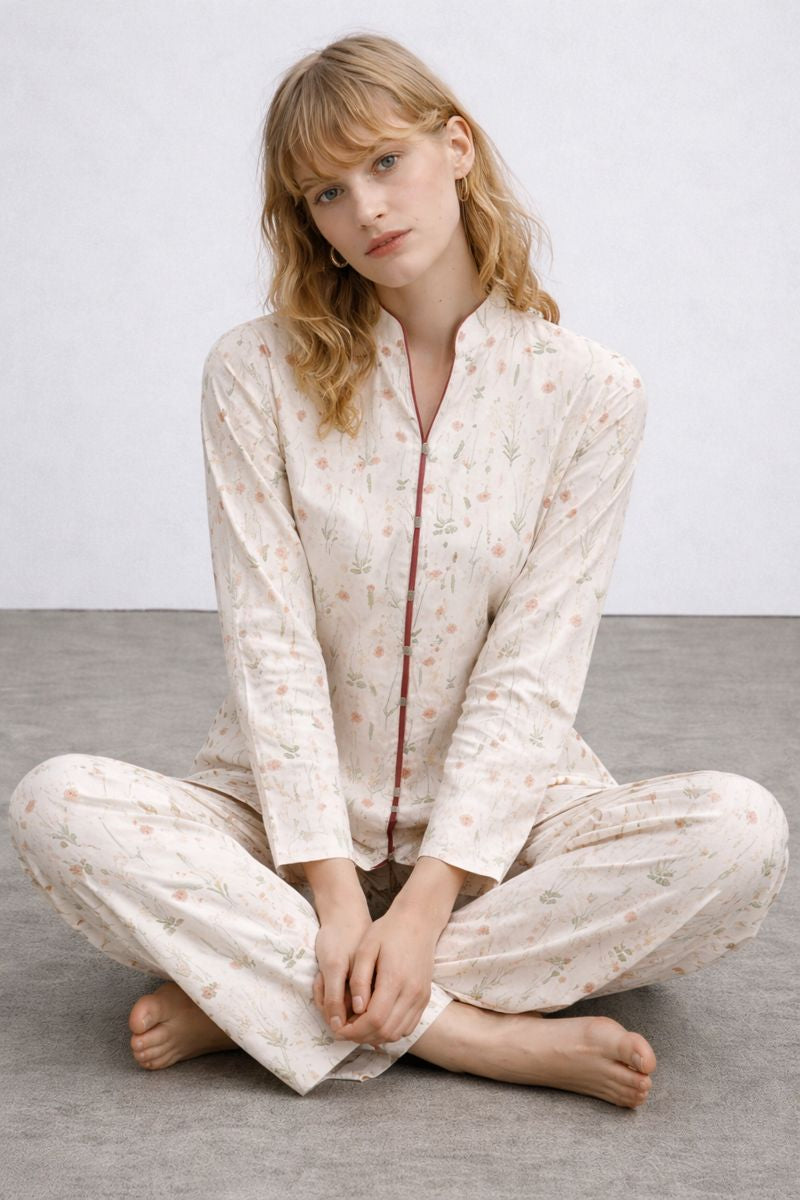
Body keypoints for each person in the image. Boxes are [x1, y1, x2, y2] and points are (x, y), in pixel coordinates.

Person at [7, 32, 789, 1108]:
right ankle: (465, 1033)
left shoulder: (588, 392)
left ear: (455, 147)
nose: (365, 209)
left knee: (738, 835)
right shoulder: (255, 373)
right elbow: (270, 642)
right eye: (326, 193)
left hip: (504, 831)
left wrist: (424, 904)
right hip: (280, 822)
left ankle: (263, 998)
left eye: (385, 162)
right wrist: (334, 893)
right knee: (54, 804)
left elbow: (535, 663)